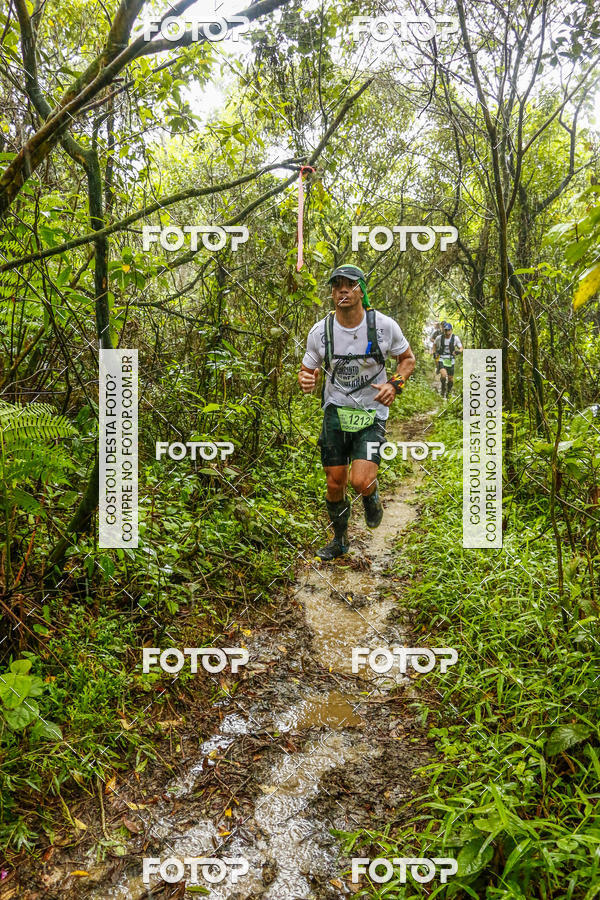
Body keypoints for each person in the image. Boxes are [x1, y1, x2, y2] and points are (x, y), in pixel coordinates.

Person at [298, 264, 415, 560]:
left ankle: (370, 495)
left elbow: (407, 359)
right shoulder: (321, 331)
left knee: (360, 481)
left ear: (362, 289)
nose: (343, 290)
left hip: (371, 413)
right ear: (332, 293)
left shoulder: (384, 326)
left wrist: (394, 384)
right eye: (337, 285)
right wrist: (305, 378)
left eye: (349, 284)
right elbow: (306, 368)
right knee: (334, 481)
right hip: (336, 411)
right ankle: (339, 541)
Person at [434, 322, 463, 398]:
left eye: (448, 330)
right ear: (444, 330)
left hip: (451, 359)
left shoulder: (455, 338)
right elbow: (434, 345)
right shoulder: (439, 338)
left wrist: (458, 351)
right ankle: (443, 387)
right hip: (442, 358)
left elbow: (461, 348)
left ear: (451, 330)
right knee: (443, 375)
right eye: (445, 330)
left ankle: (448, 392)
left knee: (450, 379)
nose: (447, 332)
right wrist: (434, 353)